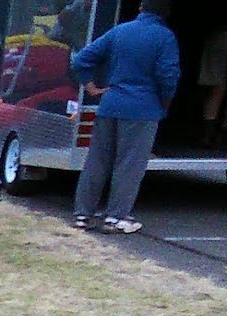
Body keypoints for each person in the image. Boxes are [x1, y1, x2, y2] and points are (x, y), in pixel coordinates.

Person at [69, 0, 180, 235]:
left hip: (110, 104)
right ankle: (116, 217)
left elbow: (81, 59)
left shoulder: (120, 30)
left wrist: (91, 87)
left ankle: (82, 215)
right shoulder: (165, 37)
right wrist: (165, 102)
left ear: (140, 8)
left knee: (97, 161)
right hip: (143, 108)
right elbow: (168, 75)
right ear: (166, 14)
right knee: (129, 165)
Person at [198, 24, 227, 148]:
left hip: (220, 36)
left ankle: (208, 135)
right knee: (218, 89)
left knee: (217, 89)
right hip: (220, 37)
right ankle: (221, 135)